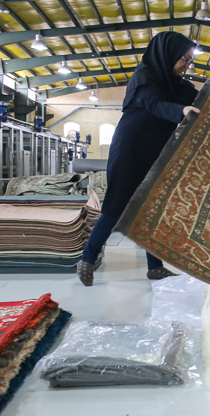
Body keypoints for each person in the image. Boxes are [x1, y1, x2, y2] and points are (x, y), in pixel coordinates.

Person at [77, 31, 200, 286]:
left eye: (190, 60)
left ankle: (155, 267)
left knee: (152, 209)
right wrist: (181, 110)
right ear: (168, 54)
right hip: (130, 149)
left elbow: (200, 98)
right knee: (116, 206)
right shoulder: (145, 78)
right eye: (184, 59)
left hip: (157, 151)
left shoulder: (177, 86)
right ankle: (87, 259)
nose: (187, 65)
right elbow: (154, 104)